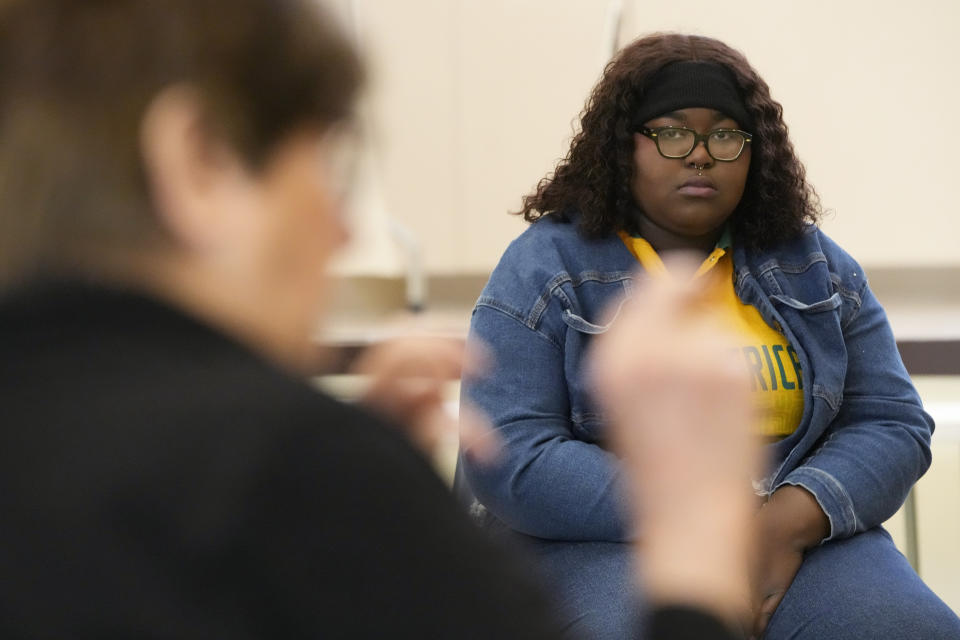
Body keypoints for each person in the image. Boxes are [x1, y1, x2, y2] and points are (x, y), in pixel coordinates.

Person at [0, 2, 757, 638]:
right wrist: (694, 527)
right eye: (329, 164)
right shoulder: (290, 466)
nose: (336, 226)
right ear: (200, 160)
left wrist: (369, 504)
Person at [457, 32, 960, 639]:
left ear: (754, 151)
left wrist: (788, 521)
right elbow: (512, 452)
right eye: (671, 132)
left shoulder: (815, 264)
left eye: (725, 134)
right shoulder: (545, 267)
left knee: (910, 630)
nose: (700, 155)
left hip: (793, 530)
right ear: (623, 147)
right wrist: (706, 516)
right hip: (603, 539)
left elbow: (891, 421)